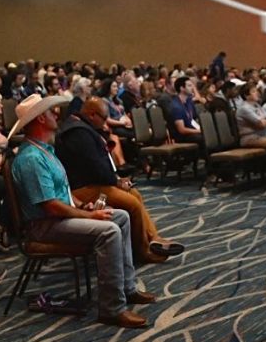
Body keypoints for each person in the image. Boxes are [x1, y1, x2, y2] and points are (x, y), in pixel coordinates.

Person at [9, 94, 156, 329]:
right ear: (39, 120)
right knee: (108, 231)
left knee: (121, 216)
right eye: (48, 112)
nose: (55, 114)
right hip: (44, 227)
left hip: (57, 218)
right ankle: (112, 308)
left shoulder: (44, 150)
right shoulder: (31, 159)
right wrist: (90, 216)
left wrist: (80, 205)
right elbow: (50, 206)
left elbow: (62, 192)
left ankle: (127, 288)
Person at [56, 98, 184, 265]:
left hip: (94, 183)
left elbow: (98, 167)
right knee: (131, 203)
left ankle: (154, 239)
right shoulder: (77, 133)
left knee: (134, 194)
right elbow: (95, 168)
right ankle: (143, 251)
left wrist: (117, 180)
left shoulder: (83, 128)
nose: (106, 123)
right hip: (81, 189)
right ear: (92, 114)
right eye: (104, 118)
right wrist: (116, 182)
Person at [234, 81, 266, 186]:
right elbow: (261, 124)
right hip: (250, 138)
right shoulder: (244, 109)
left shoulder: (257, 106)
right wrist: (265, 122)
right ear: (246, 95)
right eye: (253, 92)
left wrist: (265, 122)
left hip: (264, 135)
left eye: (256, 91)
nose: (257, 93)